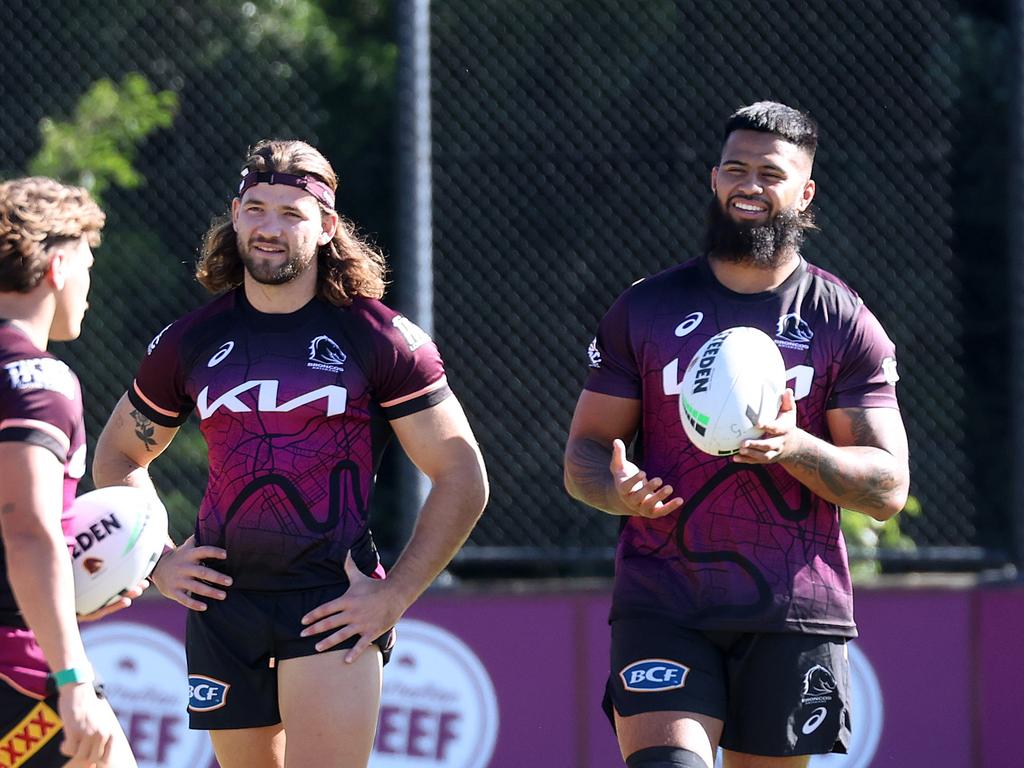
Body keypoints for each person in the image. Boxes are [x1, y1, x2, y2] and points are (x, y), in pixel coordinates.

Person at [92, 139, 488, 768]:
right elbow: (117, 458)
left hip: (332, 601)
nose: (269, 229)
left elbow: (461, 474)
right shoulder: (191, 340)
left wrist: (396, 595)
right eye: (256, 209)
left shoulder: (381, 337)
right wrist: (159, 563)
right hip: (222, 603)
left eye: (291, 214)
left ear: (327, 226)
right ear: (235, 213)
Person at [564, 101, 910, 768]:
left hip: (794, 611)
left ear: (805, 192)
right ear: (714, 179)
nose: (750, 185)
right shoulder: (646, 308)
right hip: (663, 599)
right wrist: (617, 490)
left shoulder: (842, 321)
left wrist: (796, 446)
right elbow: (584, 454)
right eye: (735, 169)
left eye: (771, 173)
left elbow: (888, 486)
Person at [0, 177, 141, 767]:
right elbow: (27, 527)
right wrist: (72, 676)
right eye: (86, 263)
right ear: (57, 266)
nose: (89, 285)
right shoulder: (37, 379)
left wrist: (68, 598)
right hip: (16, 666)